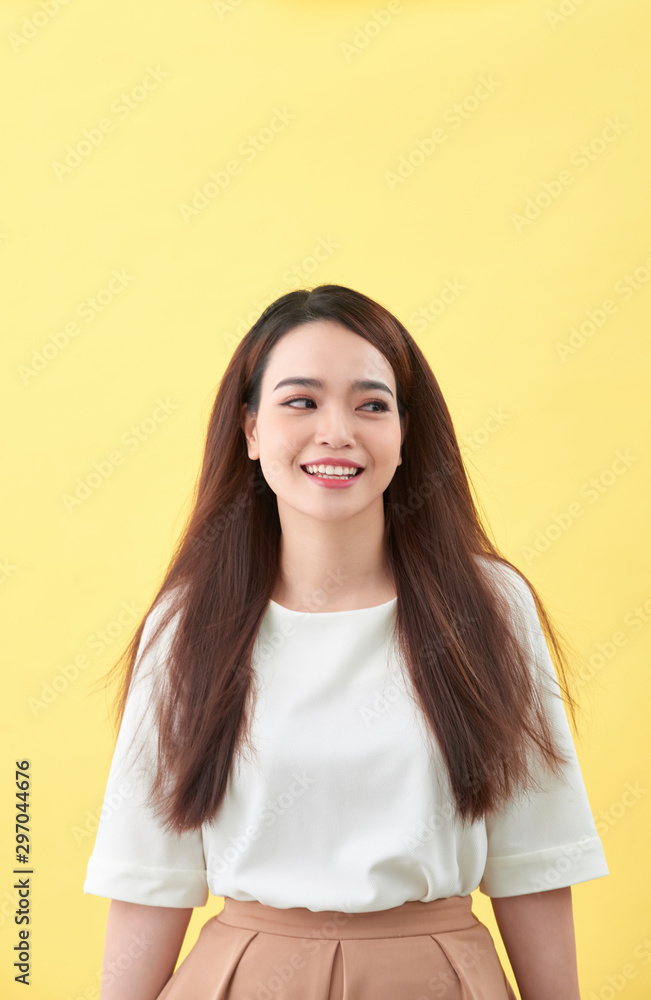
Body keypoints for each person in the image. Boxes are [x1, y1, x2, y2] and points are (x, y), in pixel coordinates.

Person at [83, 283, 609, 1000]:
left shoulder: (487, 607)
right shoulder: (187, 624)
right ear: (249, 430)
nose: (337, 432)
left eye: (371, 404)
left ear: (403, 434)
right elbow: (149, 876)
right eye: (300, 401)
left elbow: (536, 859)